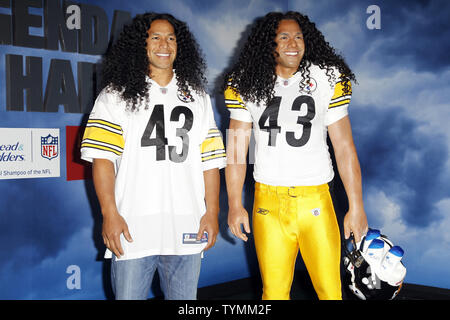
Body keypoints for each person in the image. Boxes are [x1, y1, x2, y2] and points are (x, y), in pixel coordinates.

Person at [80, 12, 226, 300]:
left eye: (171, 38)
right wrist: (110, 214)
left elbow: (209, 162)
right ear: (141, 45)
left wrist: (211, 213)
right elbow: (102, 160)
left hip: (186, 226)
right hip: (133, 228)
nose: (164, 44)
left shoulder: (196, 96)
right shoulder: (115, 95)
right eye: (156, 37)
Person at [223, 11, 368, 300]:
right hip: (268, 201)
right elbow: (237, 150)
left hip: (316, 198)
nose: (293, 43)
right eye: (284, 37)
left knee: (330, 291)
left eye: (299, 36)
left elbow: (344, 147)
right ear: (269, 44)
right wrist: (235, 203)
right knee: (274, 293)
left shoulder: (326, 77)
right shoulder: (244, 82)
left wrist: (356, 205)